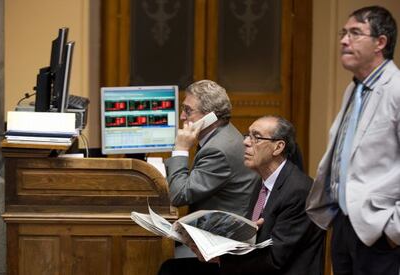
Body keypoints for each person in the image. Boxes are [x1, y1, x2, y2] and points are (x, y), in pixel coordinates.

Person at [159, 115, 325, 275]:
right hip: (253, 264)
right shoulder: (262, 183)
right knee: (170, 268)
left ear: (278, 147)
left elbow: (276, 259)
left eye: (256, 138)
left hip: (274, 269)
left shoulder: (299, 191)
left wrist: (220, 259)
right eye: (247, 135)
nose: (245, 142)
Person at [306, 6, 400, 275]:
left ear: (380, 43)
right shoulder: (354, 88)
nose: (344, 40)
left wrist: (394, 231)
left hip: (380, 229)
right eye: (343, 33)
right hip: (344, 223)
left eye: (355, 33)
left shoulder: (396, 89)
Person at [165, 79, 259, 217]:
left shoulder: (218, 150)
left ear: (210, 117)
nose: (182, 116)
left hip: (219, 233)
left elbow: (178, 196)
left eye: (188, 110)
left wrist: (181, 149)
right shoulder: (224, 133)